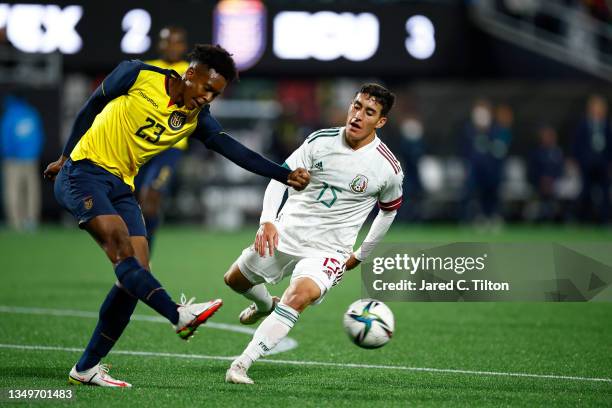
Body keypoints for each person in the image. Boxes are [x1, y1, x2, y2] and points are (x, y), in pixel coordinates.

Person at [43, 44, 310, 387]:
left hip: (122, 186)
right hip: (82, 173)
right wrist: (66, 157)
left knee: (133, 278)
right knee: (121, 249)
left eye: (216, 94)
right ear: (190, 74)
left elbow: (234, 150)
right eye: (207, 88)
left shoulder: (197, 119)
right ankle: (178, 314)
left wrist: (283, 174)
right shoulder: (138, 74)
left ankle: (86, 368)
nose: (208, 98)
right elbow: (92, 104)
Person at [222, 83, 403, 384]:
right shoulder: (320, 141)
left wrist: (361, 254)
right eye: (356, 106)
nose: (358, 115)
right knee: (234, 280)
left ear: (381, 121)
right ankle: (267, 304)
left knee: (299, 295)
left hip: (329, 250)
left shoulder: (388, 168)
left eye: (369, 112)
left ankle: (241, 365)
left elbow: (388, 211)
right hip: (288, 231)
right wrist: (267, 220)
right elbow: (280, 177)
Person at [135, 26, 190, 252]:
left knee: (151, 197)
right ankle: (133, 253)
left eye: (176, 42)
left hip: (170, 147)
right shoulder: (148, 69)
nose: (172, 47)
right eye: (168, 42)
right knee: (136, 202)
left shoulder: (190, 72)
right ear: (160, 44)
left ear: (183, 47)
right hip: (142, 144)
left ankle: (146, 253)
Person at [1, 93, 44, 231]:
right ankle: (31, 220)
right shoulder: (31, 113)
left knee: (12, 191)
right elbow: (39, 136)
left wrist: (9, 153)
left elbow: (4, 138)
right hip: (30, 159)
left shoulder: (9, 114)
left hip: (12, 159)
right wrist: (34, 153)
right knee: (31, 191)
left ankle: (15, 222)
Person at [571, 94, 612, 223]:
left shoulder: (607, 126)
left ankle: (605, 219)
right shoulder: (583, 125)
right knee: (585, 192)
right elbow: (577, 145)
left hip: (603, 165)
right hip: (587, 164)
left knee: (605, 193)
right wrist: (578, 161)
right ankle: (583, 219)